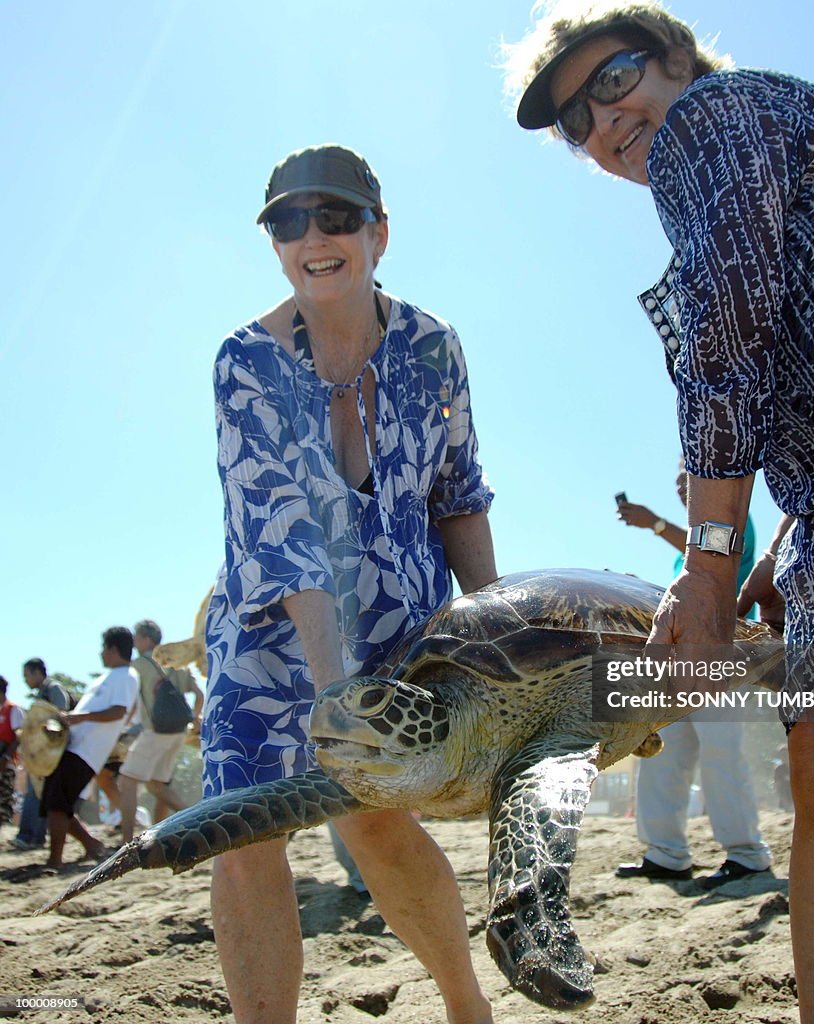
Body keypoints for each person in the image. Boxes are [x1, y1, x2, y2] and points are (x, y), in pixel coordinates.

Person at [509, 2, 814, 1020]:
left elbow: (729, 323)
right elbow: (789, 350)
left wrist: (704, 569)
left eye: (614, 79)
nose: (602, 121)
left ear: (678, 58)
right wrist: (783, 532)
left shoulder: (716, 114)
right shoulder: (708, 165)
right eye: (573, 121)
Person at [204, 144, 497, 1024]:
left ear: (378, 232)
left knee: (373, 819)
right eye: (288, 221)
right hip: (270, 632)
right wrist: (338, 699)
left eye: (333, 216)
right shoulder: (245, 360)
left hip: (401, 624)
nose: (312, 236)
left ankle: (465, 1006)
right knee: (245, 829)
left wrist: (493, 644)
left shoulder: (433, 347)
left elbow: (460, 499)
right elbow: (287, 537)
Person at [615, 461, 770, 888]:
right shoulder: (684, 556)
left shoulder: (737, 524)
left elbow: (716, 547)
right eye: (678, 482)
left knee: (723, 754)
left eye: (689, 480)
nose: (684, 489)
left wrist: (654, 523)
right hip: (677, 665)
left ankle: (747, 855)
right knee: (664, 753)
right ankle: (665, 853)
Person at [41, 627, 139, 868]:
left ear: (113, 649)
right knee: (56, 803)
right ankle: (92, 845)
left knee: (57, 804)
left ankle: (55, 860)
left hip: (88, 751)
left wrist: (81, 717)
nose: (101, 653)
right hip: (75, 746)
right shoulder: (106, 678)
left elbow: (119, 711)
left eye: (104, 648)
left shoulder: (127, 675)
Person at [118, 619, 203, 843]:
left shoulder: (140, 665)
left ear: (146, 639)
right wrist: (194, 720)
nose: (135, 643)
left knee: (127, 781)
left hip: (155, 731)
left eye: (137, 638)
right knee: (156, 784)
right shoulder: (179, 662)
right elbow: (198, 694)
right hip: (178, 731)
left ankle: (126, 842)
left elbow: (134, 701)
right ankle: (194, 820)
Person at [10, 658, 72, 850]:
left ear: (38, 673)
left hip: (53, 753)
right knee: (38, 794)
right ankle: (34, 837)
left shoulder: (53, 689)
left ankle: (29, 836)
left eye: (27, 675)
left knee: (37, 794)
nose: (26, 680)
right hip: (46, 753)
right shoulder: (43, 692)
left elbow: (61, 716)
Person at [0, 676, 25, 832]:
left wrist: (6, 757)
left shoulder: (13, 709)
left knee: (4, 799)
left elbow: (19, 737)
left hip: (6, 763)